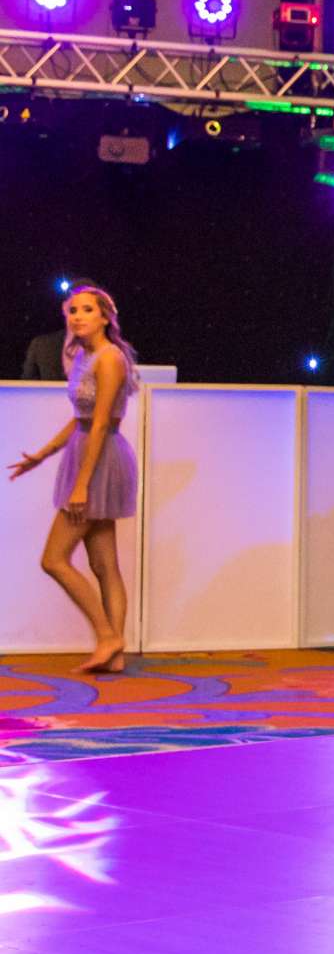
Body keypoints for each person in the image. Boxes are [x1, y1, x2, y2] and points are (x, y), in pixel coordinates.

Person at [8, 283, 141, 674]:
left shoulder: (110, 358)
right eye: (72, 310)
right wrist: (43, 454)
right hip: (85, 450)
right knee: (104, 563)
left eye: (86, 310)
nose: (77, 316)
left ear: (105, 316)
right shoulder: (83, 356)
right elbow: (81, 418)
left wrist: (81, 485)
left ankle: (107, 635)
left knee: (54, 559)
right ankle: (113, 655)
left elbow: (101, 424)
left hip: (99, 458)